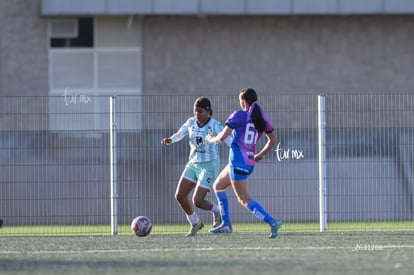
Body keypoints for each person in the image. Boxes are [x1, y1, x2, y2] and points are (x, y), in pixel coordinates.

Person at [206, 88, 282, 238]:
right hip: (248, 163)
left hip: (237, 162)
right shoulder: (262, 118)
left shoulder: (238, 115)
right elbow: (273, 140)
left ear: (243, 102)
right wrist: (259, 155)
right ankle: (225, 224)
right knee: (218, 186)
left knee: (244, 199)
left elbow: (222, 137)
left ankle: (272, 221)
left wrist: (211, 139)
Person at [161, 97, 231, 236]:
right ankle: (195, 222)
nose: (197, 115)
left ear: (208, 111)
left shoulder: (215, 125)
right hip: (193, 164)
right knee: (180, 196)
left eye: (200, 112)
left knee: (197, 201)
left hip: (209, 165)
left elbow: (229, 140)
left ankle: (216, 210)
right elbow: (180, 134)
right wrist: (170, 139)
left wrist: (239, 155)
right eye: (195, 112)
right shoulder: (191, 122)